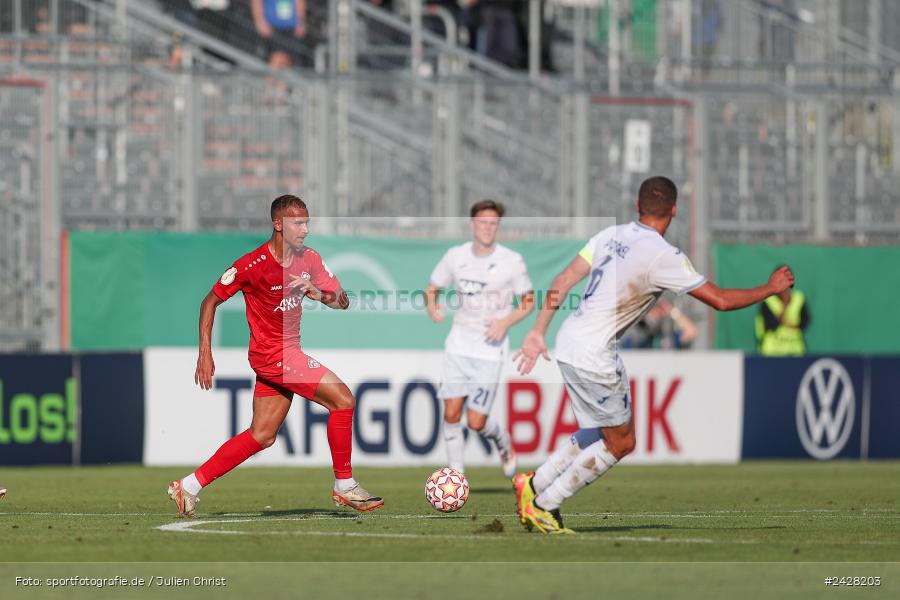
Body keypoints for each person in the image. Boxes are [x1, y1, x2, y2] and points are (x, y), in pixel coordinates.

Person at [512, 176, 795, 534]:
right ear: (674, 210)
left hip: (569, 340)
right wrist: (770, 288)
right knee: (621, 442)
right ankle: (545, 504)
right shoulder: (664, 256)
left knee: (602, 430)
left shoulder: (609, 235)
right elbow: (721, 301)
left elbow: (564, 279)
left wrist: (538, 331)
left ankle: (533, 485)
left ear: (637, 206)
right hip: (594, 353)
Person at [167, 195, 383, 518]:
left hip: (286, 355)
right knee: (343, 400)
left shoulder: (309, 259)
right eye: (298, 222)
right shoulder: (251, 265)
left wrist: (319, 293)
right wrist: (204, 353)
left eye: (307, 222)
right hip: (272, 355)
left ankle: (188, 487)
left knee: (262, 435)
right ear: (278, 224)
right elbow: (209, 302)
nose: (305, 229)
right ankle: (344, 485)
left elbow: (343, 301)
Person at [425, 200, 535, 478]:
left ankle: (503, 442)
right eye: (483, 222)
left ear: (498, 226)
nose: (488, 228)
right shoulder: (455, 256)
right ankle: (456, 476)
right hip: (459, 345)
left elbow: (529, 301)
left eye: (494, 223)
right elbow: (432, 288)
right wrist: (433, 306)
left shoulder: (512, 261)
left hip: (490, 349)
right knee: (451, 413)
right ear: (472, 224)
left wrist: (505, 322)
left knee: (475, 422)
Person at [755, 275, 809, 356]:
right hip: (772, 350)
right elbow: (771, 324)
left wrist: (791, 325)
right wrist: (785, 305)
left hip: (795, 350)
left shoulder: (799, 298)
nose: (784, 290)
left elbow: (804, 322)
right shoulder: (768, 302)